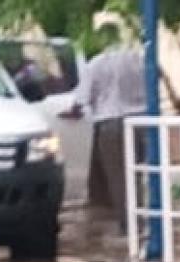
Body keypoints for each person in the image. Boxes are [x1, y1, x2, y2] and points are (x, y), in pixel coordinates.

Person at [60, 24, 146, 234]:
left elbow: (81, 99)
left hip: (111, 123)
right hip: (141, 123)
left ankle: (130, 225)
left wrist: (70, 113)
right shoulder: (138, 59)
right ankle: (144, 219)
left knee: (119, 177)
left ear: (101, 39)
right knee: (138, 174)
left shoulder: (97, 64)